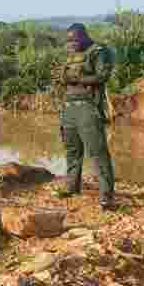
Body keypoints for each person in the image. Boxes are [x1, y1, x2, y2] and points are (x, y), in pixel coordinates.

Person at [53, 23, 116, 209]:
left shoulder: (98, 51)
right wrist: (64, 79)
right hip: (69, 107)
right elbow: (64, 78)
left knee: (97, 152)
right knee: (72, 151)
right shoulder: (73, 55)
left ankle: (106, 196)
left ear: (84, 35)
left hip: (88, 107)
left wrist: (76, 79)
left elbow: (102, 76)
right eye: (69, 40)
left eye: (74, 39)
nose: (71, 43)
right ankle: (72, 187)